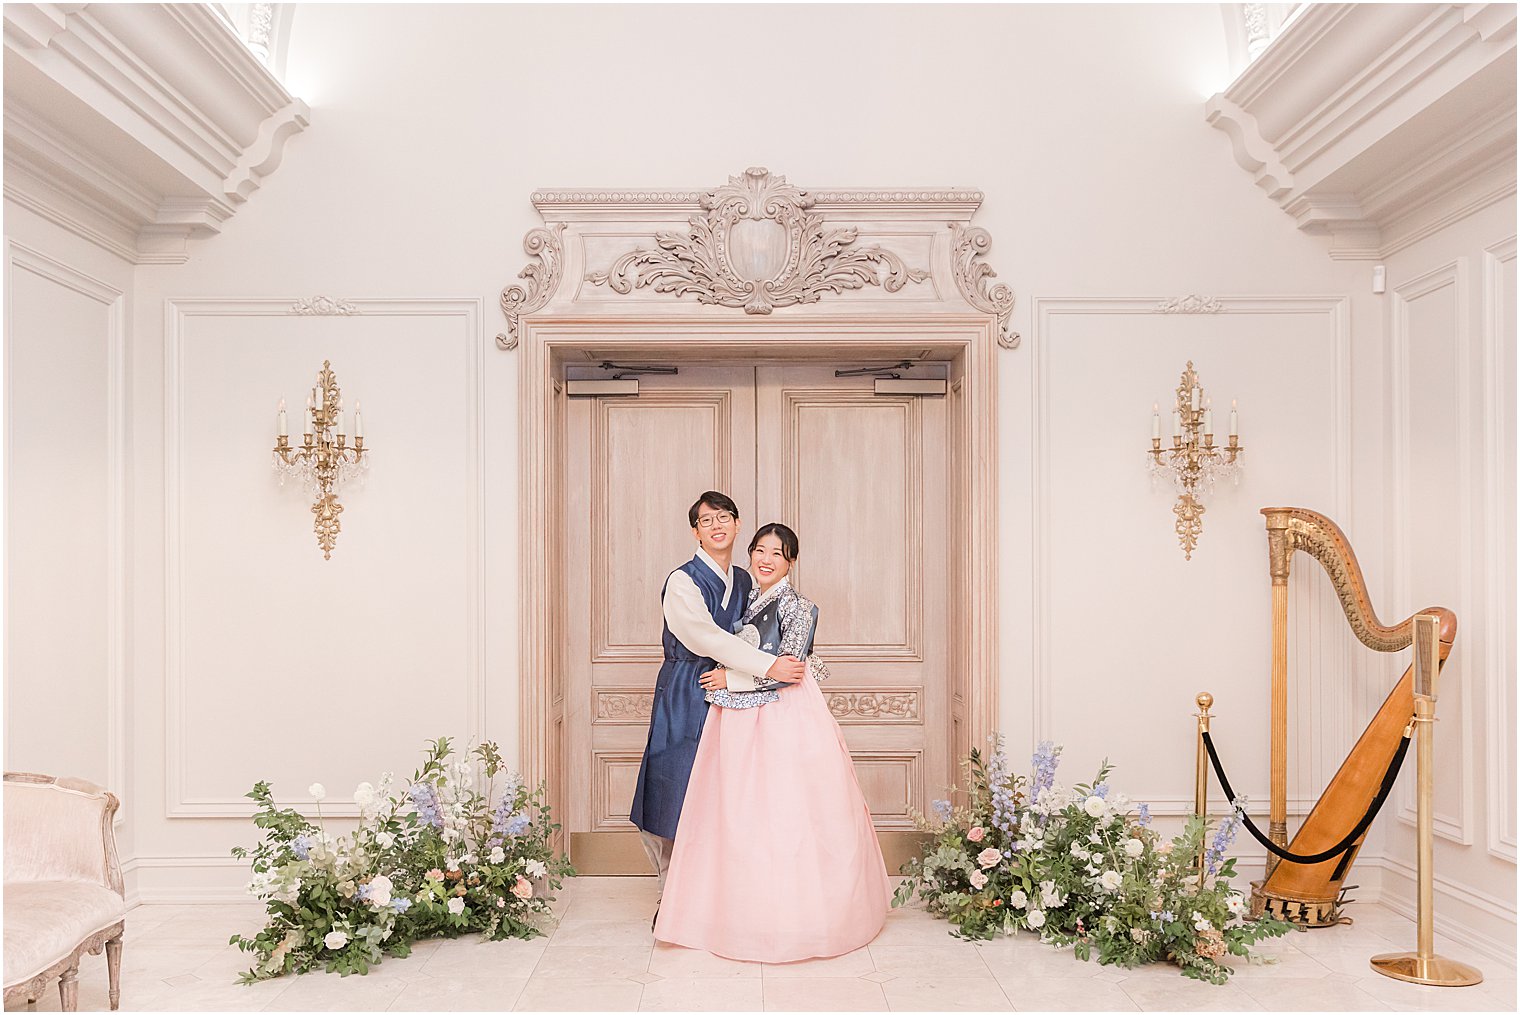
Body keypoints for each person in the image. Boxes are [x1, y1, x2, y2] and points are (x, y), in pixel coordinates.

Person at [653, 523, 891, 963]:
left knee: (786, 814)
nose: (765, 560)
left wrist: (731, 677)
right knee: (742, 815)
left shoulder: (800, 606)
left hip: (785, 718)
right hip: (742, 717)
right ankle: (741, 914)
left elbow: (792, 670)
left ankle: (797, 920)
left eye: (776, 554)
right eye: (759, 551)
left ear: (791, 562)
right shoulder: (746, 598)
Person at [629, 493, 807, 906]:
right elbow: (704, 637)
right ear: (696, 531)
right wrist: (767, 666)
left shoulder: (744, 580)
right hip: (687, 685)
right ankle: (669, 891)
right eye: (706, 521)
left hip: (734, 689)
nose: (716, 526)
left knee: (726, 787)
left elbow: (760, 631)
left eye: (724, 517)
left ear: (737, 524)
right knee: (673, 782)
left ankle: (718, 887)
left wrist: (758, 671)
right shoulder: (683, 580)